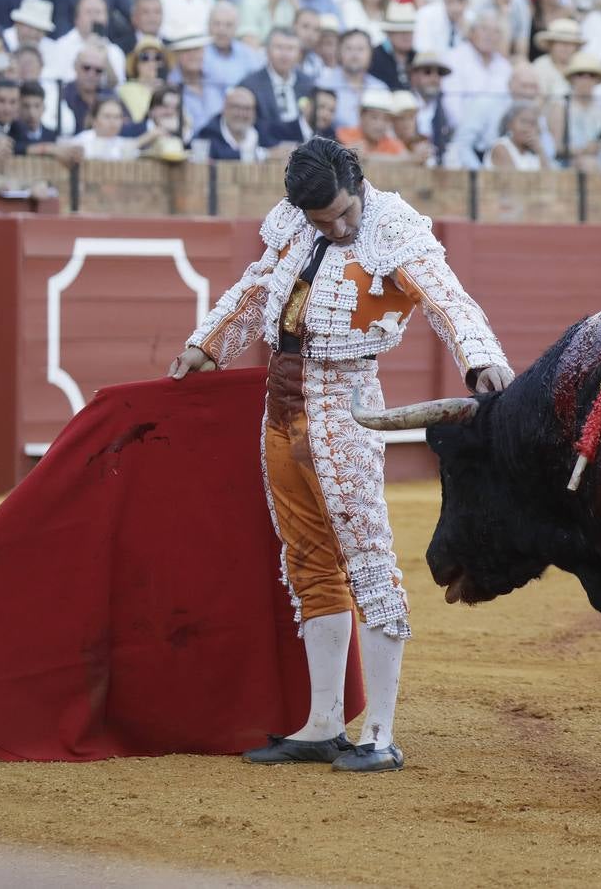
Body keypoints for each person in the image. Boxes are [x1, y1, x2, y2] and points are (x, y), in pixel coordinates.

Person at [168, 137, 513, 771]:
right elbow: (254, 290)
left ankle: (379, 731)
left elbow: (446, 298)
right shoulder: (294, 226)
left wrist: (481, 358)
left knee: (369, 562)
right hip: (280, 411)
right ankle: (323, 721)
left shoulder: (394, 229)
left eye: (343, 214)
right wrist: (207, 345)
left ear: (358, 184)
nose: (338, 227)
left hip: (346, 410)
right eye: (323, 221)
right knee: (306, 561)